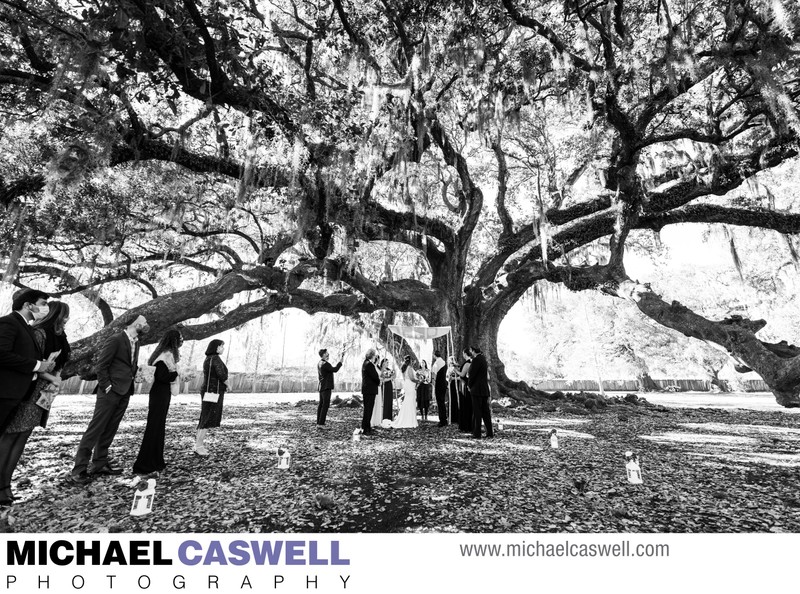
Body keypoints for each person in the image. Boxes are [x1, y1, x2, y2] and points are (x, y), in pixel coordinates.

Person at [0, 300, 69, 505]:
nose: (66, 319)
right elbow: (34, 364)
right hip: (28, 390)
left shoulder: (60, 337)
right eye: (64, 314)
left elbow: (58, 364)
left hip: (44, 393)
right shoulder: (38, 333)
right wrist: (52, 378)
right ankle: (0, 486)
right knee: (11, 436)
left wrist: (57, 377)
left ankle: (6, 484)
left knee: (22, 438)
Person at [71, 314, 149, 484]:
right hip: (110, 391)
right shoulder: (115, 340)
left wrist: (136, 374)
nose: (146, 325)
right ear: (135, 324)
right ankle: (78, 469)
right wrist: (106, 386)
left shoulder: (136, 342)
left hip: (125, 391)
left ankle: (100, 463)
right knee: (96, 428)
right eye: (144, 323)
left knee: (110, 428)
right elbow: (101, 365)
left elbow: (127, 365)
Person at [0, 288, 54, 434]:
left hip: (16, 394)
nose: (45, 308)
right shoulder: (9, 322)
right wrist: (37, 365)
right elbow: (2, 354)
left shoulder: (27, 328)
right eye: (43, 303)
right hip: (4, 393)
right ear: (27, 305)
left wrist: (42, 363)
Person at [132, 329, 183, 474]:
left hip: (161, 394)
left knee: (158, 427)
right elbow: (162, 377)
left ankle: (156, 460)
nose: (182, 341)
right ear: (174, 340)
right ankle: (145, 463)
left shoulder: (166, 355)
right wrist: (176, 373)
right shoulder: (164, 356)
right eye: (180, 338)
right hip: (159, 394)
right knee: (154, 427)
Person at [196, 339, 228, 456]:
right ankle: (199, 445)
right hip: (212, 392)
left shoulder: (208, 359)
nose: (222, 348)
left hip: (209, 391)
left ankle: (199, 444)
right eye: (221, 346)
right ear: (216, 347)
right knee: (207, 418)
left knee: (204, 417)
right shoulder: (215, 359)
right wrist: (229, 385)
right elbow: (222, 375)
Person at [468, 345, 493, 439]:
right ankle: (490, 432)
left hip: (476, 389)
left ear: (473, 351)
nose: (470, 352)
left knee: (477, 411)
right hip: (484, 388)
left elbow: (472, 374)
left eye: (471, 350)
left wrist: (469, 385)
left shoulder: (476, 360)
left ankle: (477, 433)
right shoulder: (483, 359)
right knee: (485, 411)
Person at [316, 348, 343, 428]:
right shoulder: (325, 364)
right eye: (327, 354)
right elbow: (335, 369)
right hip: (326, 387)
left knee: (321, 405)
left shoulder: (319, 363)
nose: (328, 355)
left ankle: (319, 422)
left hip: (321, 387)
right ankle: (321, 424)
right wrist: (340, 362)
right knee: (325, 405)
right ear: (324, 355)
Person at [392, 356, 418, 429]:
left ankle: (407, 418)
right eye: (412, 360)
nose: (413, 362)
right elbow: (412, 378)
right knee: (410, 401)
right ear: (410, 361)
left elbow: (406, 378)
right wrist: (418, 381)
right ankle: (408, 420)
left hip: (407, 384)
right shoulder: (409, 368)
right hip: (410, 385)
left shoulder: (405, 368)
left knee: (408, 401)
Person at [360, 348, 380, 435]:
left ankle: (366, 426)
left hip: (367, 390)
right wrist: (379, 382)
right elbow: (375, 377)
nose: (375, 357)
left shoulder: (365, 363)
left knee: (367, 409)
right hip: (369, 390)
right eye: (375, 355)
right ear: (372, 356)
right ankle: (366, 428)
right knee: (369, 409)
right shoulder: (369, 365)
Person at [456, 350, 473, 433]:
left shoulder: (467, 363)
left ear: (465, 354)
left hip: (464, 385)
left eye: (463, 353)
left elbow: (462, 374)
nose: (462, 355)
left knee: (465, 405)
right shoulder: (470, 362)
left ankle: (465, 425)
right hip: (465, 384)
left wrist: (455, 370)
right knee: (467, 405)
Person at [431, 350, 448, 427]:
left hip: (438, 385)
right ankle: (444, 419)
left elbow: (434, 377)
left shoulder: (436, 364)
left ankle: (442, 420)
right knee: (442, 402)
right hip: (444, 384)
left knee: (439, 402)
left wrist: (434, 386)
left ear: (434, 355)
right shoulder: (444, 362)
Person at [447, 356, 460, 424]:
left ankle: (457, 417)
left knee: (456, 400)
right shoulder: (449, 369)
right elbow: (447, 377)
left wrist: (454, 378)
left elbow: (460, 376)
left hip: (457, 384)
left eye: (451, 360)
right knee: (451, 400)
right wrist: (449, 378)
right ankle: (451, 417)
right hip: (451, 385)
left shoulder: (458, 367)